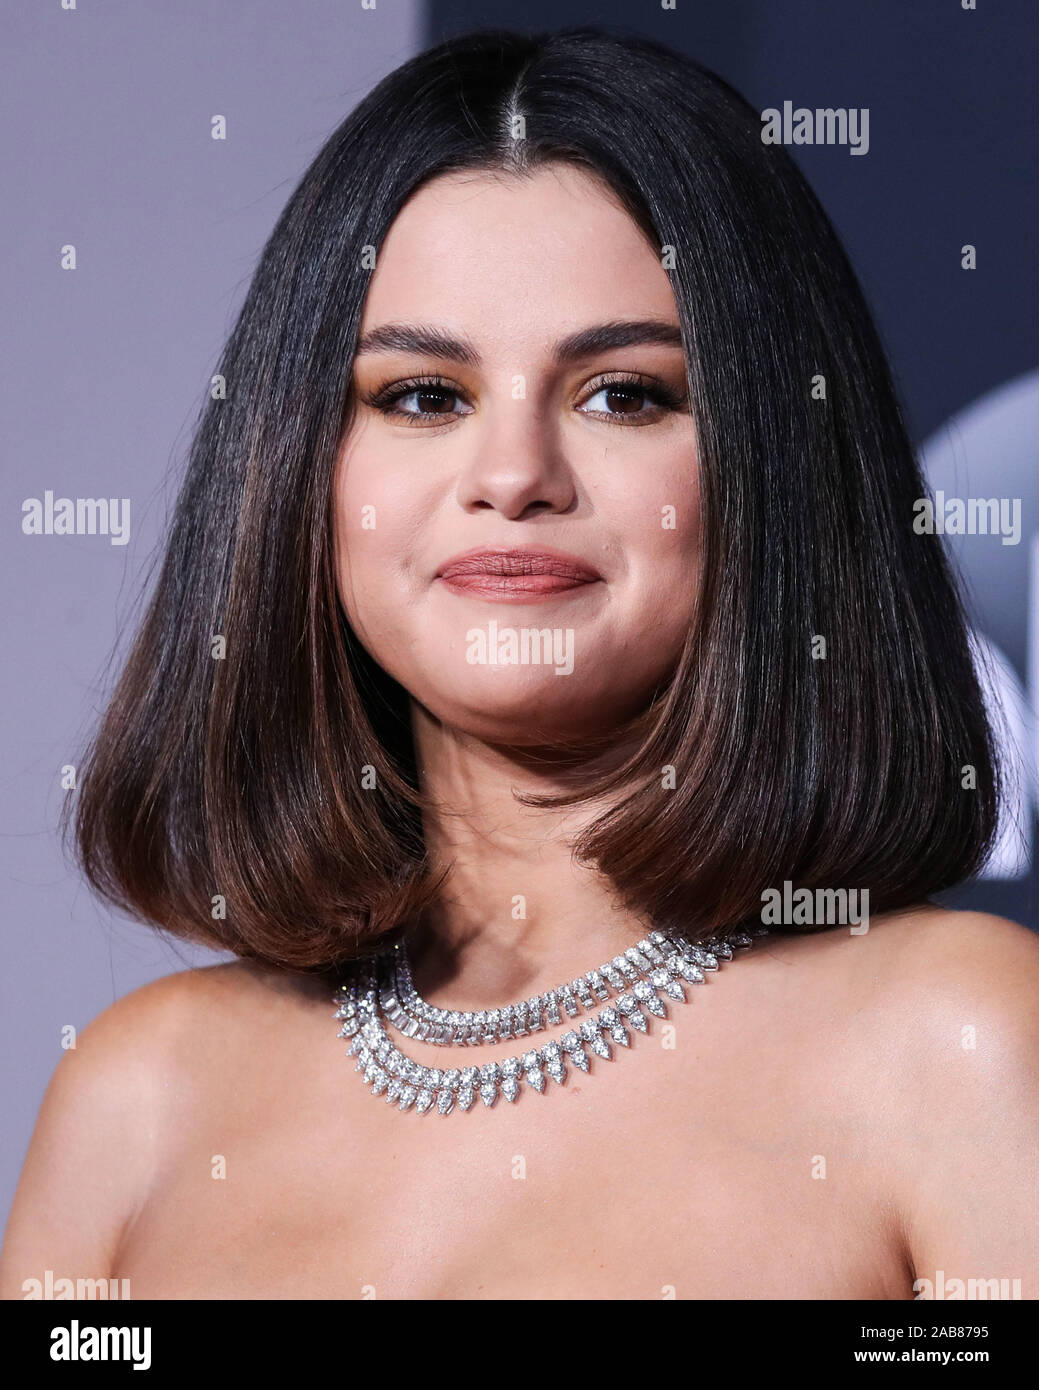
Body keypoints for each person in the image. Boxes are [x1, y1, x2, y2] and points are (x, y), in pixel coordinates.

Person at [3, 27, 1037, 1301]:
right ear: (297, 473)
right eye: (423, 396)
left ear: (774, 465)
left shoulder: (961, 1042)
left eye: (624, 393)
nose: (512, 479)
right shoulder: (134, 1101)